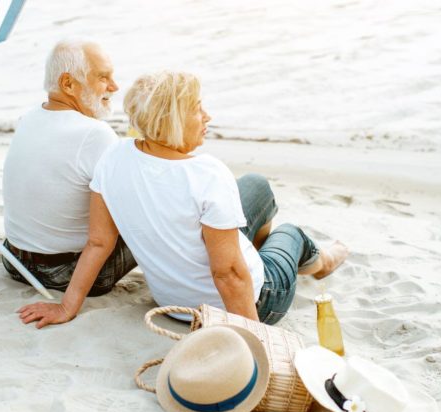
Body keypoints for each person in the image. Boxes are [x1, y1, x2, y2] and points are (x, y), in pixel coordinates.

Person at [18, 71, 348, 327]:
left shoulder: (113, 157)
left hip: (173, 306)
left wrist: (67, 306)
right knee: (290, 234)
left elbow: (98, 243)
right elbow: (228, 276)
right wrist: (252, 341)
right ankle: (322, 264)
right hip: (253, 302)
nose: (208, 116)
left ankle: (255, 254)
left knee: (256, 186)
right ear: (171, 121)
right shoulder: (207, 174)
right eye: (197, 109)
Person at [1, 40, 136, 298]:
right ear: (68, 84)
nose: (114, 87)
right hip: (64, 273)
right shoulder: (95, 134)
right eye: (103, 77)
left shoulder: (29, 117)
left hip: (14, 261)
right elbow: (128, 210)